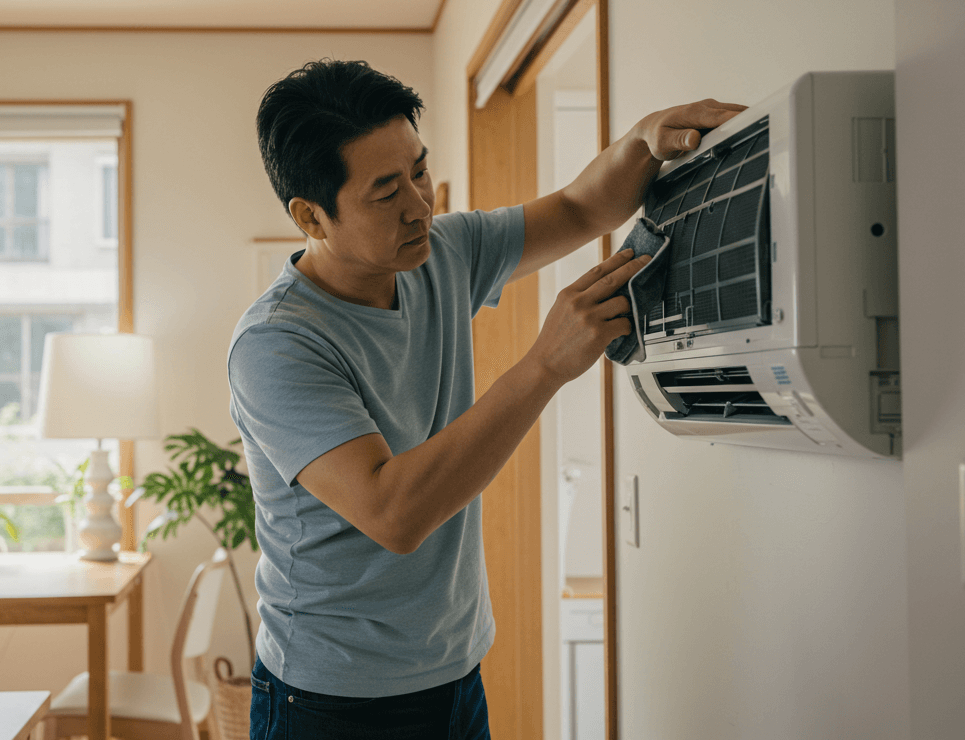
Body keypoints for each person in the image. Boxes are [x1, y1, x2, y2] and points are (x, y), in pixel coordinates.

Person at [229, 59, 743, 739]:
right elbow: (393, 512)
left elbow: (581, 208)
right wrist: (545, 365)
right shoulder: (277, 344)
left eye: (419, 169)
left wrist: (642, 140)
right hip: (331, 699)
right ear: (310, 215)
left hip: (454, 670)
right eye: (386, 192)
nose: (421, 203)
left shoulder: (441, 251)